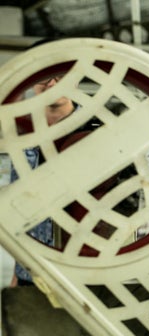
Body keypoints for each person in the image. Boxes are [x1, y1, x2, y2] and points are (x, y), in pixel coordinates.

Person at [10, 71, 75, 286]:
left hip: (80, 271)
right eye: (44, 77)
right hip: (30, 270)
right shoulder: (19, 133)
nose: (52, 84)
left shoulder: (98, 127)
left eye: (61, 77)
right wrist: (17, 271)